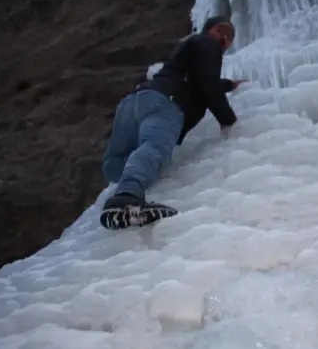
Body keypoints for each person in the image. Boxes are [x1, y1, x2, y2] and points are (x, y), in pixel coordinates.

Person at [99, 16, 247, 230]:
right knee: (155, 148)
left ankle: (124, 188)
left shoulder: (190, 50)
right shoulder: (207, 43)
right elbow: (206, 83)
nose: (224, 38)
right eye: (220, 31)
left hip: (134, 103)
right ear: (208, 31)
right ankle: (127, 198)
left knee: (115, 163)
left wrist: (228, 85)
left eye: (230, 37)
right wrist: (228, 121)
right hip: (166, 104)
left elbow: (194, 78)